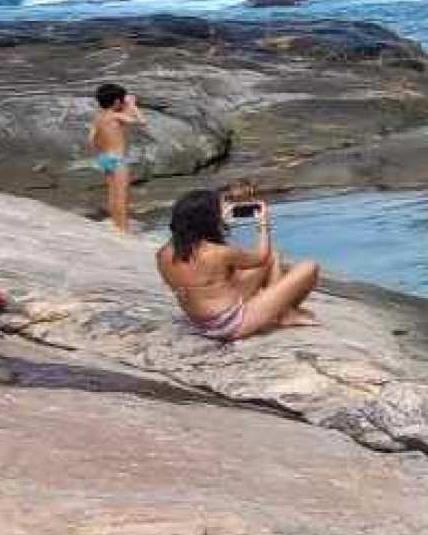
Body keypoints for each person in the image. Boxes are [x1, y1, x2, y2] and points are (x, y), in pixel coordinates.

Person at [155, 189, 320, 342]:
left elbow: (208, 278)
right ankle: (283, 315)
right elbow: (262, 256)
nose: (225, 210)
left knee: (273, 257)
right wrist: (263, 225)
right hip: (230, 324)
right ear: (209, 219)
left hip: (200, 321)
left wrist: (217, 225)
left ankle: (284, 312)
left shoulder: (163, 254)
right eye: (220, 209)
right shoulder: (216, 253)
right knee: (309, 267)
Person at [88, 83, 145, 234]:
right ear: (117, 102)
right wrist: (133, 105)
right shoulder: (116, 115)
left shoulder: (98, 117)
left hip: (104, 158)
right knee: (122, 195)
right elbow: (141, 121)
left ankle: (115, 223)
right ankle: (123, 228)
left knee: (112, 193)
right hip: (118, 159)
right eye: (121, 101)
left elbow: (91, 139)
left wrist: (100, 151)